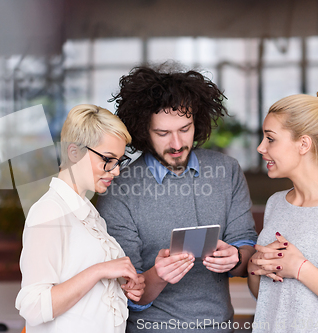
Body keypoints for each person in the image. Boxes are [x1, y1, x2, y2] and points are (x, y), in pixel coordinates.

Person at [97, 63, 257, 332]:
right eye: (162, 133)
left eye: (185, 129)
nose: (176, 143)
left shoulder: (226, 171)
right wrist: (158, 275)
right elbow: (126, 294)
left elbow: (247, 252)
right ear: (143, 131)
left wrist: (236, 258)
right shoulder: (119, 187)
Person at [15, 104, 145, 333]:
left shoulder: (89, 215)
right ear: (74, 152)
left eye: (119, 161)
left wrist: (121, 286)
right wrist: (100, 270)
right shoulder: (49, 212)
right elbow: (34, 306)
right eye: (108, 159)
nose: (115, 171)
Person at [247, 84, 318, 332]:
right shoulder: (276, 204)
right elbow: (269, 297)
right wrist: (255, 267)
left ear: (303, 144)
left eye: (270, 138)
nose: (261, 147)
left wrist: (300, 269)